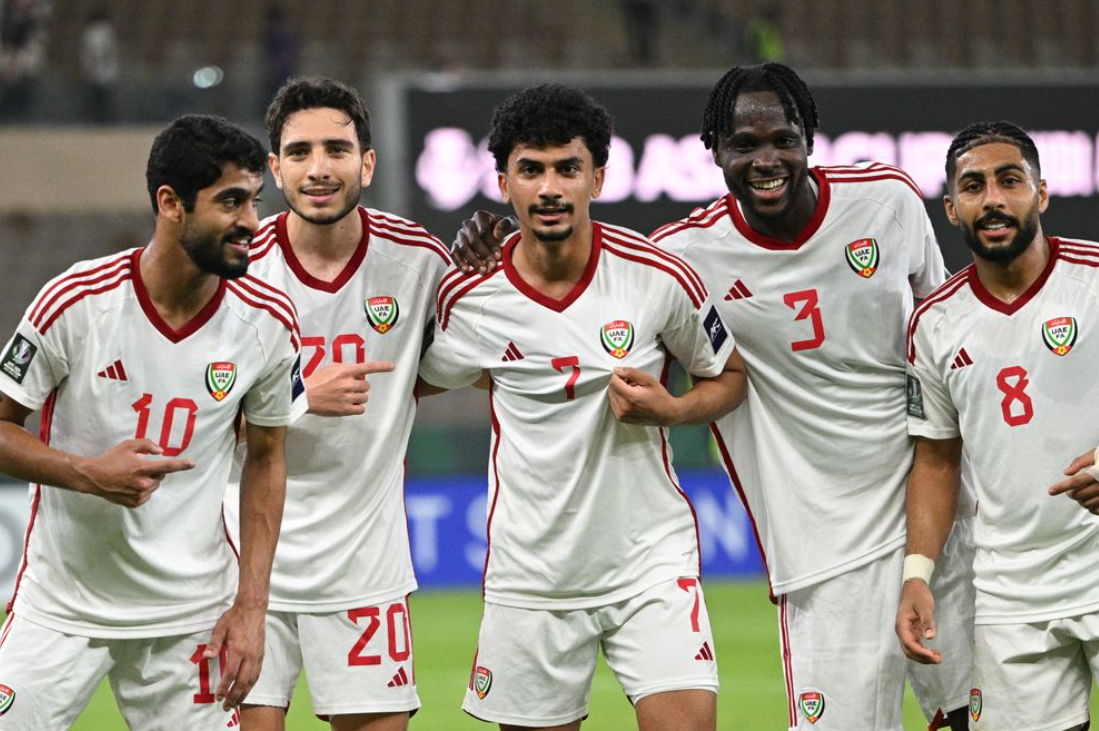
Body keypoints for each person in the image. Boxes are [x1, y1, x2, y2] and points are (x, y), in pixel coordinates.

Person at [452, 63, 974, 731]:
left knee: (982, 716)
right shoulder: (685, 255)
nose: (766, 160)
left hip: (941, 513)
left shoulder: (888, 201)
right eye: (743, 145)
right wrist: (506, 240)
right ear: (715, 153)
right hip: (824, 547)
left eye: (783, 140)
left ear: (810, 139)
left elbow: (946, 336)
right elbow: (570, 299)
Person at [420, 83, 747, 731]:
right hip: (531, 576)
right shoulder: (471, 297)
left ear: (597, 177)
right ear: (504, 183)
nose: (550, 187)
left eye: (568, 168)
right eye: (531, 169)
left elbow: (729, 375)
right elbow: (414, 383)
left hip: (649, 562)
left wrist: (673, 409)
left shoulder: (657, 275)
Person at [897, 121, 1099, 731]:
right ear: (952, 208)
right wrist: (918, 575)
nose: (992, 199)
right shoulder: (933, 324)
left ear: (1041, 193)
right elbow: (936, 460)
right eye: (973, 186)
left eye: (1010, 181)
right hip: (1011, 593)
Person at [0, 114, 302, 730]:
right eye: (231, 202)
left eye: (255, 201)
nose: (252, 221)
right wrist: (85, 473)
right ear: (170, 203)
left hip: (190, 615)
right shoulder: (76, 301)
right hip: (63, 607)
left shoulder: (268, 321)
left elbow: (268, 457)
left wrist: (252, 607)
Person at [225, 77, 450, 731]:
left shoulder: (419, 261)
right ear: (275, 169)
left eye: (337, 149)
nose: (318, 168)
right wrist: (300, 396)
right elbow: (196, 413)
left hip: (365, 566)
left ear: (367, 163)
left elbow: (464, 361)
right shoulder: (236, 268)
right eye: (299, 152)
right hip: (242, 565)